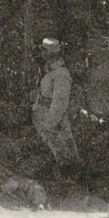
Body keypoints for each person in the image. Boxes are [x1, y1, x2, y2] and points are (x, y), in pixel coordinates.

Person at [32, 38, 79, 175]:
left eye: (44, 50)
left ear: (51, 53)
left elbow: (59, 104)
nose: (41, 53)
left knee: (62, 153)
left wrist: (49, 125)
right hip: (43, 116)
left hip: (53, 122)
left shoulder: (61, 75)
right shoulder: (49, 70)